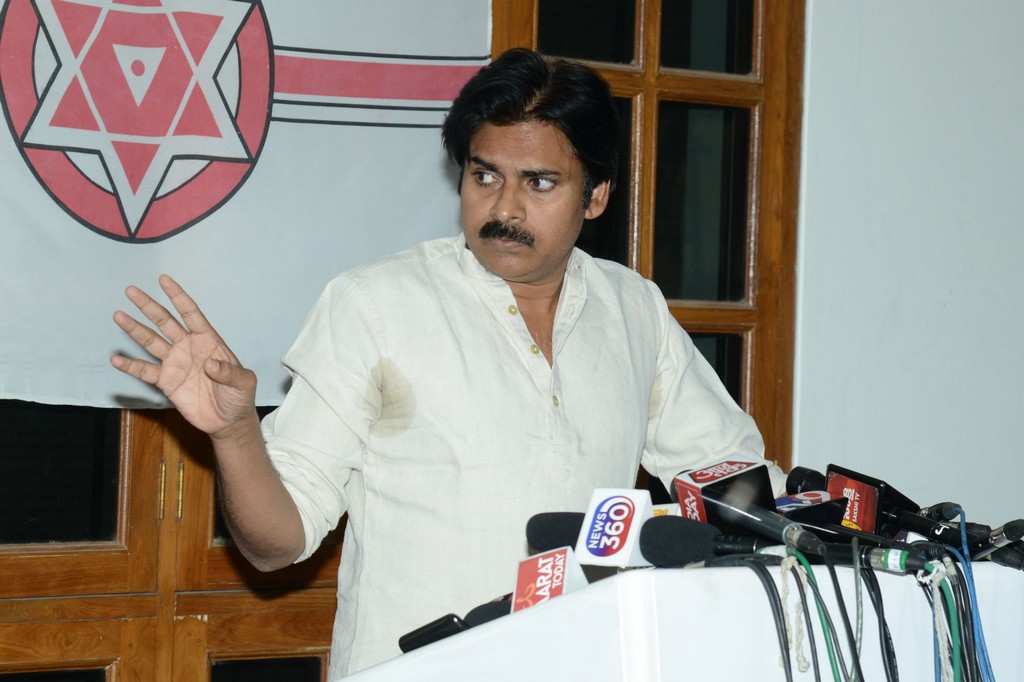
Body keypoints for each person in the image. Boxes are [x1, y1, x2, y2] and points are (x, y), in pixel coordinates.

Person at [111, 48, 784, 678]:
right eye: (484, 175)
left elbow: (732, 480)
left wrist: (817, 530)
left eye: (540, 183)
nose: (504, 207)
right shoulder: (373, 305)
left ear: (597, 195)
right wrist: (235, 434)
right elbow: (275, 544)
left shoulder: (634, 309)